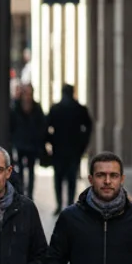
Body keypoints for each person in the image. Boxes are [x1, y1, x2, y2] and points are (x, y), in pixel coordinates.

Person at [46, 85, 92, 214]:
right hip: (74, 149)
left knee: (58, 179)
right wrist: (83, 143)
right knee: (72, 178)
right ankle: (70, 204)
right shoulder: (79, 109)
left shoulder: (55, 109)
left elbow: (46, 128)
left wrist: (50, 141)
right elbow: (88, 127)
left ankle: (59, 204)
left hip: (59, 149)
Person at [11, 84, 48, 199]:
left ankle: (30, 194)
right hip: (20, 143)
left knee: (31, 170)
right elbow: (11, 125)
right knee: (20, 169)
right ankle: (21, 192)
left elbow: (42, 125)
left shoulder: (36, 107)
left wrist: (40, 139)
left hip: (32, 144)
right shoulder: (16, 106)